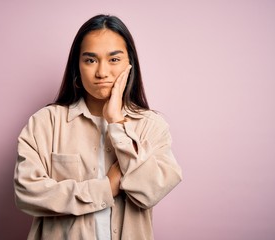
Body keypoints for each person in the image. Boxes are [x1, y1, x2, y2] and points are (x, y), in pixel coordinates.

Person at [14, 14, 182, 240]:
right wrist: (105, 189)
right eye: (90, 60)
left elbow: (149, 192)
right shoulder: (45, 123)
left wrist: (116, 121)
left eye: (114, 60)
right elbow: (27, 192)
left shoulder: (152, 126)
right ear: (77, 66)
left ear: (129, 64)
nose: (102, 72)